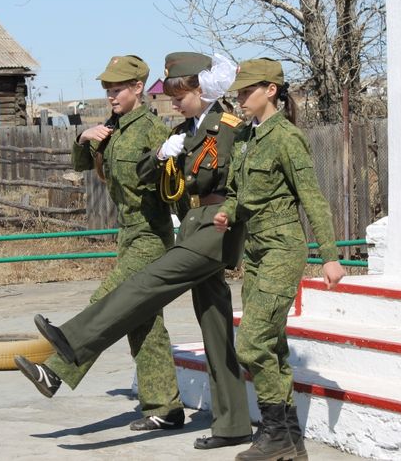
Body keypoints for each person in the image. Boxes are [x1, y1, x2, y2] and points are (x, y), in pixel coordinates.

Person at [33, 52, 254, 450]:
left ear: (202, 89)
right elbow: (146, 174)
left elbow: (243, 184)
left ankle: (73, 339)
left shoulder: (229, 128)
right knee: (215, 328)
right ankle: (234, 423)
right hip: (193, 227)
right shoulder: (185, 129)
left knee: (144, 285)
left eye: (179, 92)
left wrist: (238, 221)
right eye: (170, 93)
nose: (172, 101)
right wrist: (162, 154)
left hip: (217, 228)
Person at [14, 54, 185, 431]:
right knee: (143, 323)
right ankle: (166, 408)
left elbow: (178, 184)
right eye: (107, 88)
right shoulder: (114, 127)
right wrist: (82, 137)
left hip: (150, 236)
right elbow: (81, 164)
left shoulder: (153, 131)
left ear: (139, 88)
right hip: (126, 235)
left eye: (118, 88)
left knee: (107, 304)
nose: (111, 94)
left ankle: (55, 374)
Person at [214, 58, 346, 461]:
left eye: (247, 91)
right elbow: (237, 190)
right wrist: (229, 212)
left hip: (283, 247)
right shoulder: (245, 138)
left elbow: (313, 199)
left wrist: (329, 257)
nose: (240, 99)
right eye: (237, 92)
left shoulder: (287, 137)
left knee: (251, 344)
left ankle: (273, 433)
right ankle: (289, 441)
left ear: (271, 90)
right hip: (254, 249)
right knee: (272, 345)